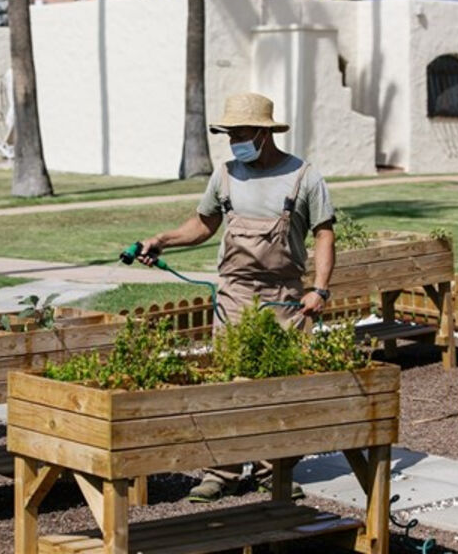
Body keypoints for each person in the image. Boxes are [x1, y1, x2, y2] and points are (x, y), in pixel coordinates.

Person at [138, 92, 336, 502]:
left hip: (284, 295)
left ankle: (272, 470)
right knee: (228, 380)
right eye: (230, 134)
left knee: (278, 384)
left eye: (241, 133)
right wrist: (162, 240)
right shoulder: (225, 175)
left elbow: (323, 233)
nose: (233, 141)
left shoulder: (303, 176)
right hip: (234, 292)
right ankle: (220, 472)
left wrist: (319, 289)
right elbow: (203, 223)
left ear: (264, 133)